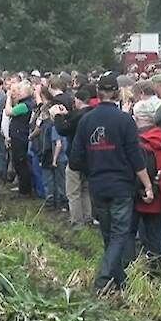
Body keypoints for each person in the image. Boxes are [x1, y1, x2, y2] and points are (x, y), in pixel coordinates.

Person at [70, 73, 154, 293]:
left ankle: (119, 282)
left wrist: (93, 169)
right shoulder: (125, 120)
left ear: (97, 93)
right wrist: (147, 184)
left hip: (98, 185)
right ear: (116, 93)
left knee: (109, 235)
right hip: (121, 186)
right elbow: (136, 157)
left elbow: (76, 159)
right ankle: (104, 278)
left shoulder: (86, 120)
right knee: (120, 234)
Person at [54, 84, 96, 228]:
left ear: (78, 100)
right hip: (89, 158)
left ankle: (77, 221)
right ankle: (88, 217)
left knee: (73, 191)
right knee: (85, 189)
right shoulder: (92, 113)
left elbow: (63, 129)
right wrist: (67, 114)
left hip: (75, 158)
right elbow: (74, 118)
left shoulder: (79, 116)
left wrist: (57, 117)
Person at [132, 98, 161, 258]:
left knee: (131, 235)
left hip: (138, 193)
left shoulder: (136, 142)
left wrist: (142, 190)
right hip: (159, 192)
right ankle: (155, 268)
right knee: (156, 236)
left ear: (137, 118)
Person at [6, 80, 35, 197]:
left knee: (20, 162)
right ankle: (23, 187)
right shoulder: (24, 103)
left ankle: (25, 190)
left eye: (20, 91)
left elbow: (9, 112)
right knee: (18, 162)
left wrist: (8, 97)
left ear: (26, 93)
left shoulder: (24, 105)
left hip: (20, 136)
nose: (18, 93)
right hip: (18, 134)